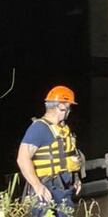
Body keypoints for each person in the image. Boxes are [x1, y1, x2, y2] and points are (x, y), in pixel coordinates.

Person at [17, 85, 82, 217]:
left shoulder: (63, 129)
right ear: (61, 107)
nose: (69, 110)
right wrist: (37, 186)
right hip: (45, 187)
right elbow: (22, 158)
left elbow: (69, 156)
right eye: (68, 106)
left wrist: (76, 178)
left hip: (64, 189)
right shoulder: (39, 128)